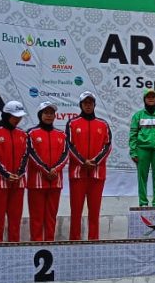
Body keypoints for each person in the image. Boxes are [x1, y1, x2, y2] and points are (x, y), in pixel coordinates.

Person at [65, 92, 112, 240]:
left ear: (94, 105)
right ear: (81, 105)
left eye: (90, 103)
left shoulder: (103, 124)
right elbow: (69, 146)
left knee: (94, 211)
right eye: (85, 103)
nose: (88, 105)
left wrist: (95, 162)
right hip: (78, 174)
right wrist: (82, 161)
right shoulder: (72, 123)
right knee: (76, 211)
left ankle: (94, 240)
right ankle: (74, 240)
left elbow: (108, 146)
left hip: (97, 174)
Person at [0, 100, 28, 243]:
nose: (18, 119)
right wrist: (6, 174)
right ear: (6, 115)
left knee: (15, 220)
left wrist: (19, 174)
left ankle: (14, 248)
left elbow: (25, 155)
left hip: (18, 182)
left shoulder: (23, 134)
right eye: (14, 116)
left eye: (19, 117)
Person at [26, 100, 68, 242]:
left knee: (51, 216)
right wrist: (45, 170)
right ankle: (36, 243)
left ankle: (50, 242)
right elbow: (30, 154)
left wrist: (55, 170)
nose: (49, 116)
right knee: (36, 217)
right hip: (36, 183)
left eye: (51, 113)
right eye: (46, 113)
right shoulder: (31, 133)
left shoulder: (61, 134)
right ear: (40, 115)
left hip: (55, 182)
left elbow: (65, 154)